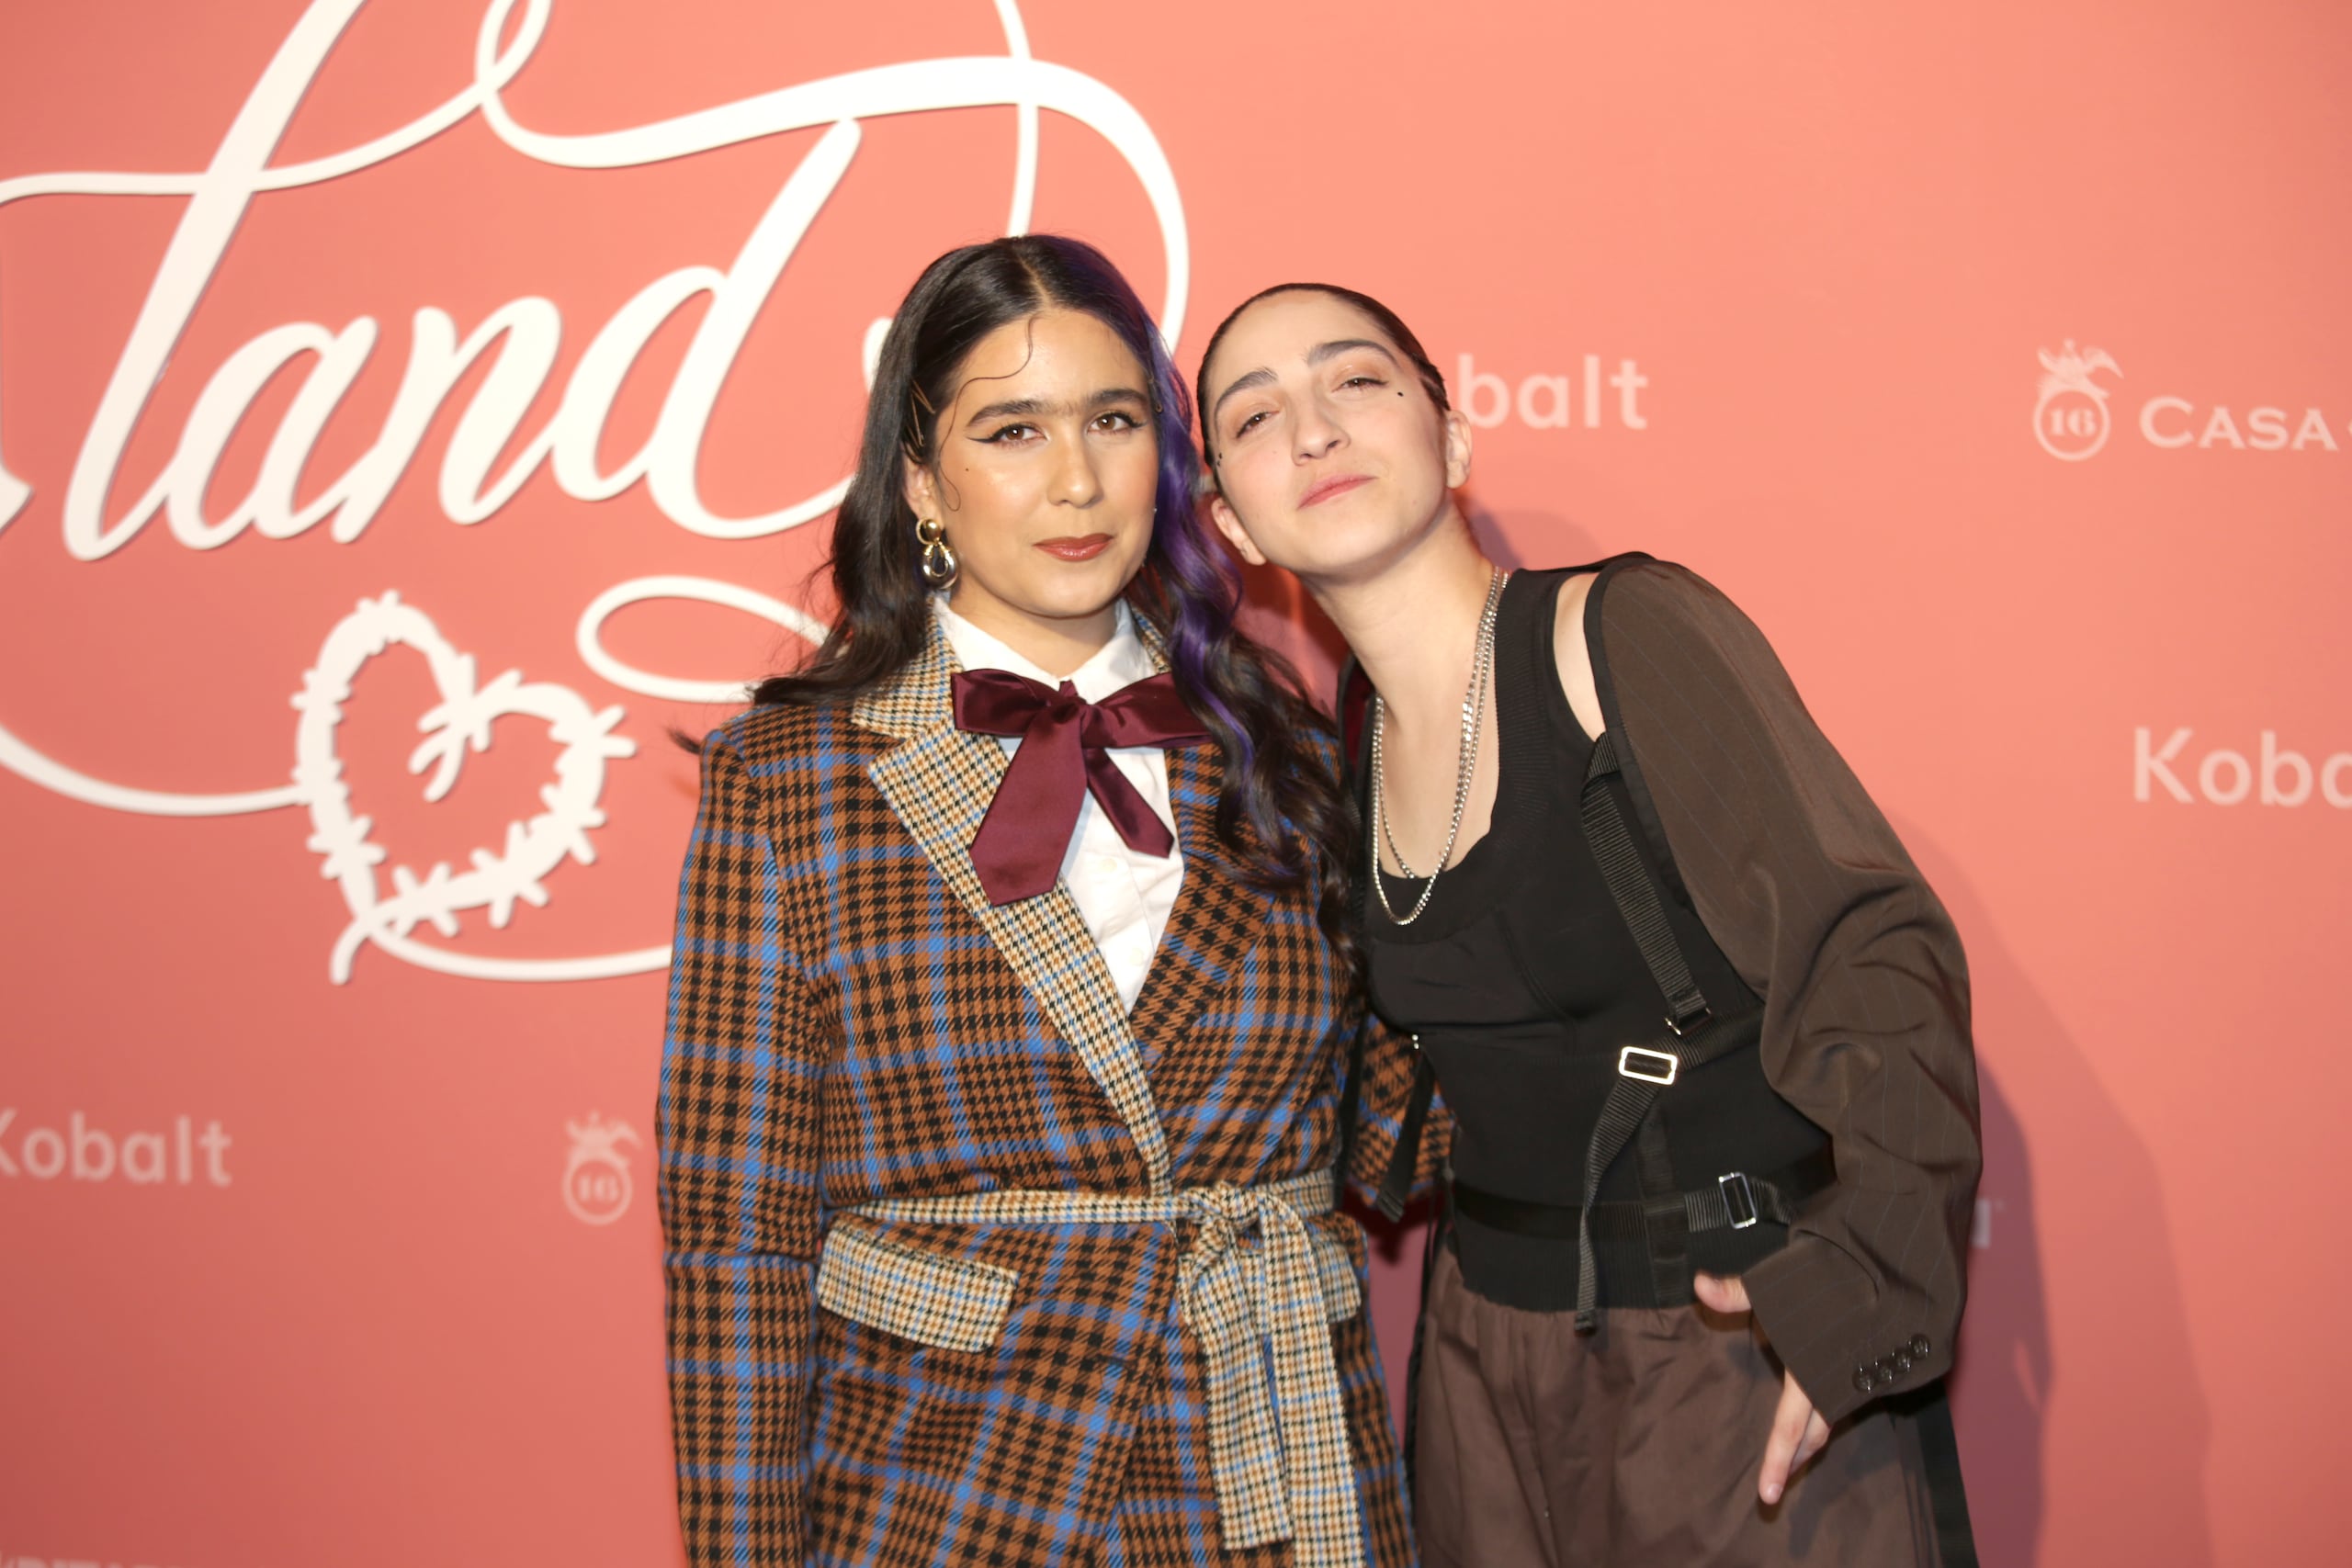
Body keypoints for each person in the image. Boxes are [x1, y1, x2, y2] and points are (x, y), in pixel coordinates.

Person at [657, 237, 1430, 1568]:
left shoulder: (1292, 749)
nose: (1075, 481)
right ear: (921, 481)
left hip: (1273, 1471)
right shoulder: (789, 783)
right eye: (1011, 430)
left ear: (1166, 459)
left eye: (1113, 421)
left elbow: (1394, 1134)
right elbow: (739, 1239)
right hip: (961, 1485)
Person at [1193, 281, 1982, 1567]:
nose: (1317, 430)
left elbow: (1871, 950)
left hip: (1727, 1334)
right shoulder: (1338, 739)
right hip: (1479, 1357)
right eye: (1257, 413)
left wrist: (1861, 1286)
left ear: (1448, 441)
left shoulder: (1618, 634)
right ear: (1232, 519)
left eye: (1356, 380)